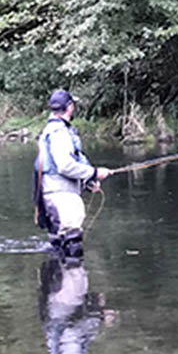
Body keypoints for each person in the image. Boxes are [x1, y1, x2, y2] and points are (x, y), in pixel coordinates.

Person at [33, 89, 110, 256]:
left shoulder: (49, 130)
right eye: (72, 104)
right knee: (73, 249)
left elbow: (55, 165)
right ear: (69, 107)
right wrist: (94, 173)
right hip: (63, 198)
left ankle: (54, 272)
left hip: (50, 196)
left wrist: (88, 182)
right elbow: (64, 165)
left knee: (58, 249)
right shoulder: (60, 132)